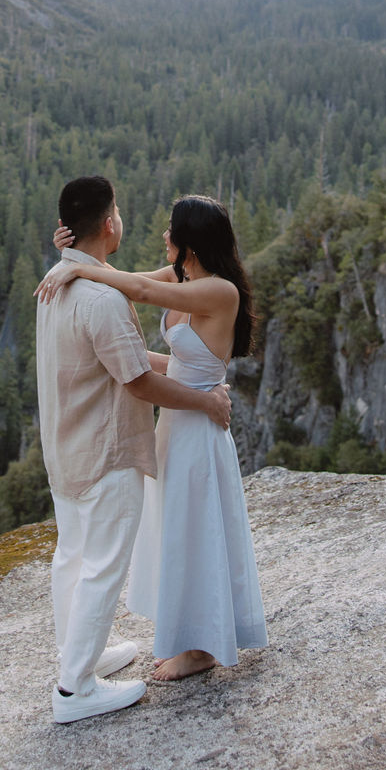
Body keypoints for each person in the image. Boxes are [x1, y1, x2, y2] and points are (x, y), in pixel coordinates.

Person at [38, 194, 267, 681]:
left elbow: (136, 289)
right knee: (179, 531)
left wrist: (75, 268)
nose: (163, 236)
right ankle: (189, 634)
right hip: (175, 424)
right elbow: (138, 298)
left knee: (197, 531)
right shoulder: (184, 277)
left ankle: (203, 647)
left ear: (190, 243)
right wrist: (72, 258)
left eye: (170, 230)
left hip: (200, 428)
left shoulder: (220, 292)